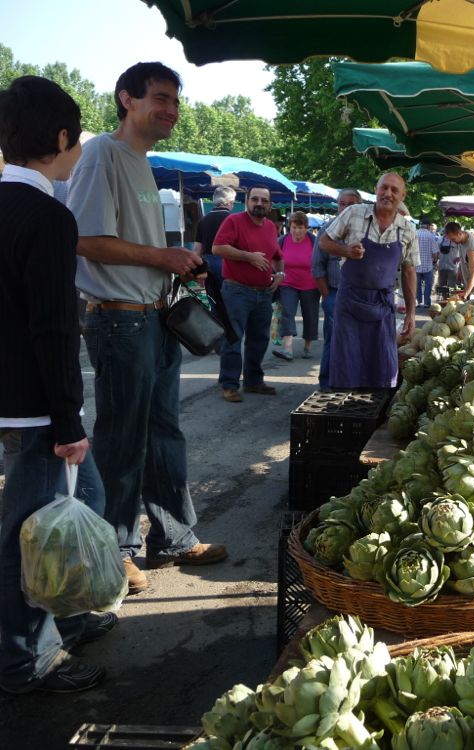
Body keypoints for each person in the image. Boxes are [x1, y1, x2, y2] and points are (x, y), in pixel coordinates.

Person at [68, 62, 227, 594]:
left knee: (164, 432)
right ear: (126, 99)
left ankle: (174, 537)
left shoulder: (141, 163)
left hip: (154, 318)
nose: (171, 110)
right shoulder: (101, 154)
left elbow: (133, 247)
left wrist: (175, 262)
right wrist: (163, 254)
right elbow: (85, 239)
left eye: (176, 102)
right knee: (122, 438)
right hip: (118, 320)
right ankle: (115, 550)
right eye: (160, 98)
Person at [0, 76, 113, 695]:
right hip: (34, 406)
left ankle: (66, 618)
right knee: (29, 538)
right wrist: (67, 422)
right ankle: (24, 660)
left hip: (15, 398)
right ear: (64, 138)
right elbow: (52, 326)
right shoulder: (46, 215)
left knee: (82, 500)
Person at [318, 172, 417, 388]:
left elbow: (409, 272)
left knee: (382, 365)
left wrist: (411, 312)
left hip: (382, 304)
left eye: (394, 190)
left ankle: (373, 411)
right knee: (347, 362)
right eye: (384, 188)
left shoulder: (408, 229)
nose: (388, 194)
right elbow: (324, 242)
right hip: (350, 301)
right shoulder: (354, 213)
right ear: (376, 189)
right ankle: (344, 410)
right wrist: (345, 250)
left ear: (402, 196)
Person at [212, 185, 285, 401]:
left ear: (270, 205)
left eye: (264, 200)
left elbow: (278, 255)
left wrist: (280, 274)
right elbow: (217, 248)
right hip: (237, 290)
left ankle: (253, 381)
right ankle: (229, 384)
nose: (259, 203)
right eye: (255, 199)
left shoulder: (271, 227)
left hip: (264, 293)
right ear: (247, 201)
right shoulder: (233, 221)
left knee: (259, 339)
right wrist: (249, 256)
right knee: (233, 338)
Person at [312, 189, 361, 391]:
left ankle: (354, 382)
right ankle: (327, 383)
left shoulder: (367, 232)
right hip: (335, 293)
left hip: (361, 297)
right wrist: (327, 297)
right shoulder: (327, 230)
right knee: (333, 341)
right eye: (342, 203)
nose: (346, 208)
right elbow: (317, 267)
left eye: (351, 204)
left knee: (358, 341)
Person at [272, 211, 319, 361]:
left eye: (300, 228)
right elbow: (274, 259)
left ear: (306, 228)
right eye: (294, 227)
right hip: (287, 283)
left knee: (310, 315)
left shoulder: (314, 241)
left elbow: (320, 261)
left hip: (310, 285)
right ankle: (288, 349)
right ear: (289, 227)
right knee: (287, 312)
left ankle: (307, 346)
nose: (297, 231)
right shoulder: (282, 241)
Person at [192, 185, 236, 289]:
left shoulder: (203, 220)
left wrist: (198, 271)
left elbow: (197, 249)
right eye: (233, 202)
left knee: (213, 299)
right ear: (228, 202)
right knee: (230, 299)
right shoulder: (232, 219)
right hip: (227, 263)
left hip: (208, 264)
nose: (233, 205)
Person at [444, 221, 474, 298]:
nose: (452, 242)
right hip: (472, 286)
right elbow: (466, 258)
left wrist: (466, 293)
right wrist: (460, 271)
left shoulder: (471, 247)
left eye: (453, 239)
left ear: (459, 233)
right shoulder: (463, 238)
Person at [415, 216, 438, 308]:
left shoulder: (415, 234)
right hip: (428, 264)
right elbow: (435, 253)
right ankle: (427, 303)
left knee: (417, 284)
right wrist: (435, 261)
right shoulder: (431, 236)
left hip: (416, 264)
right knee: (428, 285)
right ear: (428, 226)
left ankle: (418, 301)